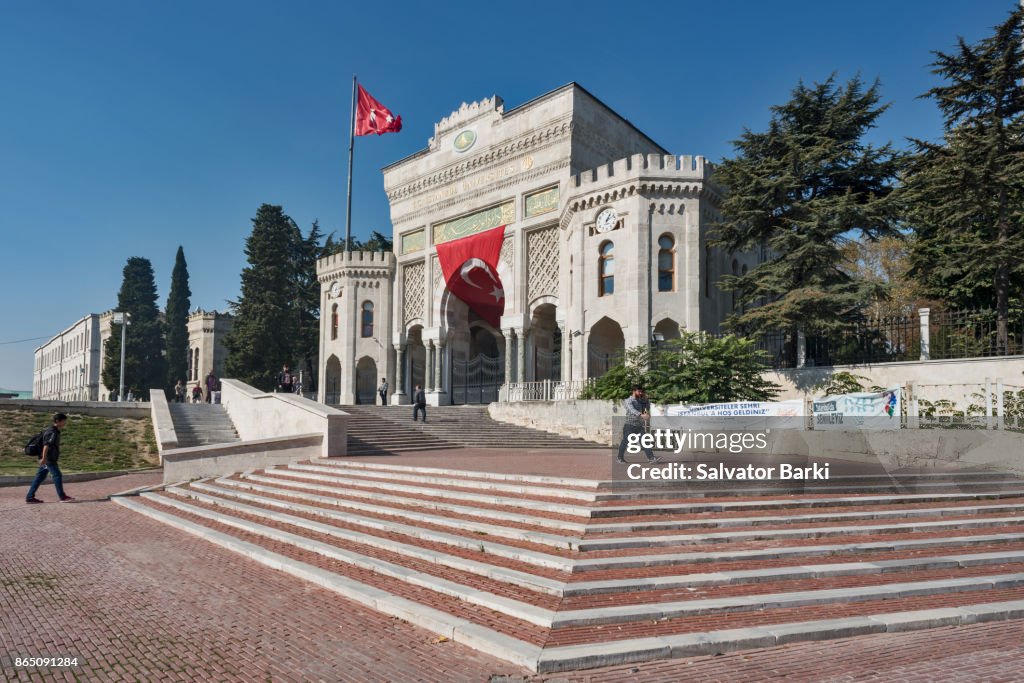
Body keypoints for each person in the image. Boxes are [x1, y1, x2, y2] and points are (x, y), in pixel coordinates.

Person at [26, 412, 74, 503]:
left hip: (47, 458)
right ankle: (62, 497)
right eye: (64, 421)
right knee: (57, 475)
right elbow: (46, 445)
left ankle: (29, 497)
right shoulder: (52, 432)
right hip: (49, 459)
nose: (65, 423)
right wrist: (44, 459)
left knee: (39, 477)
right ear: (58, 421)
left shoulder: (50, 430)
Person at [616, 385, 662, 464]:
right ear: (634, 391)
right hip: (630, 425)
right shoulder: (628, 400)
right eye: (639, 391)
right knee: (625, 441)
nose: (640, 393)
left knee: (645, 441)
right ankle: (620, 458)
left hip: (639, 426)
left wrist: (646, 400)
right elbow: (632, 410)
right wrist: (641, 415)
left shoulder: (641, 400)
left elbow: (645, 409)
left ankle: (651, 458)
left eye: (641, 392)